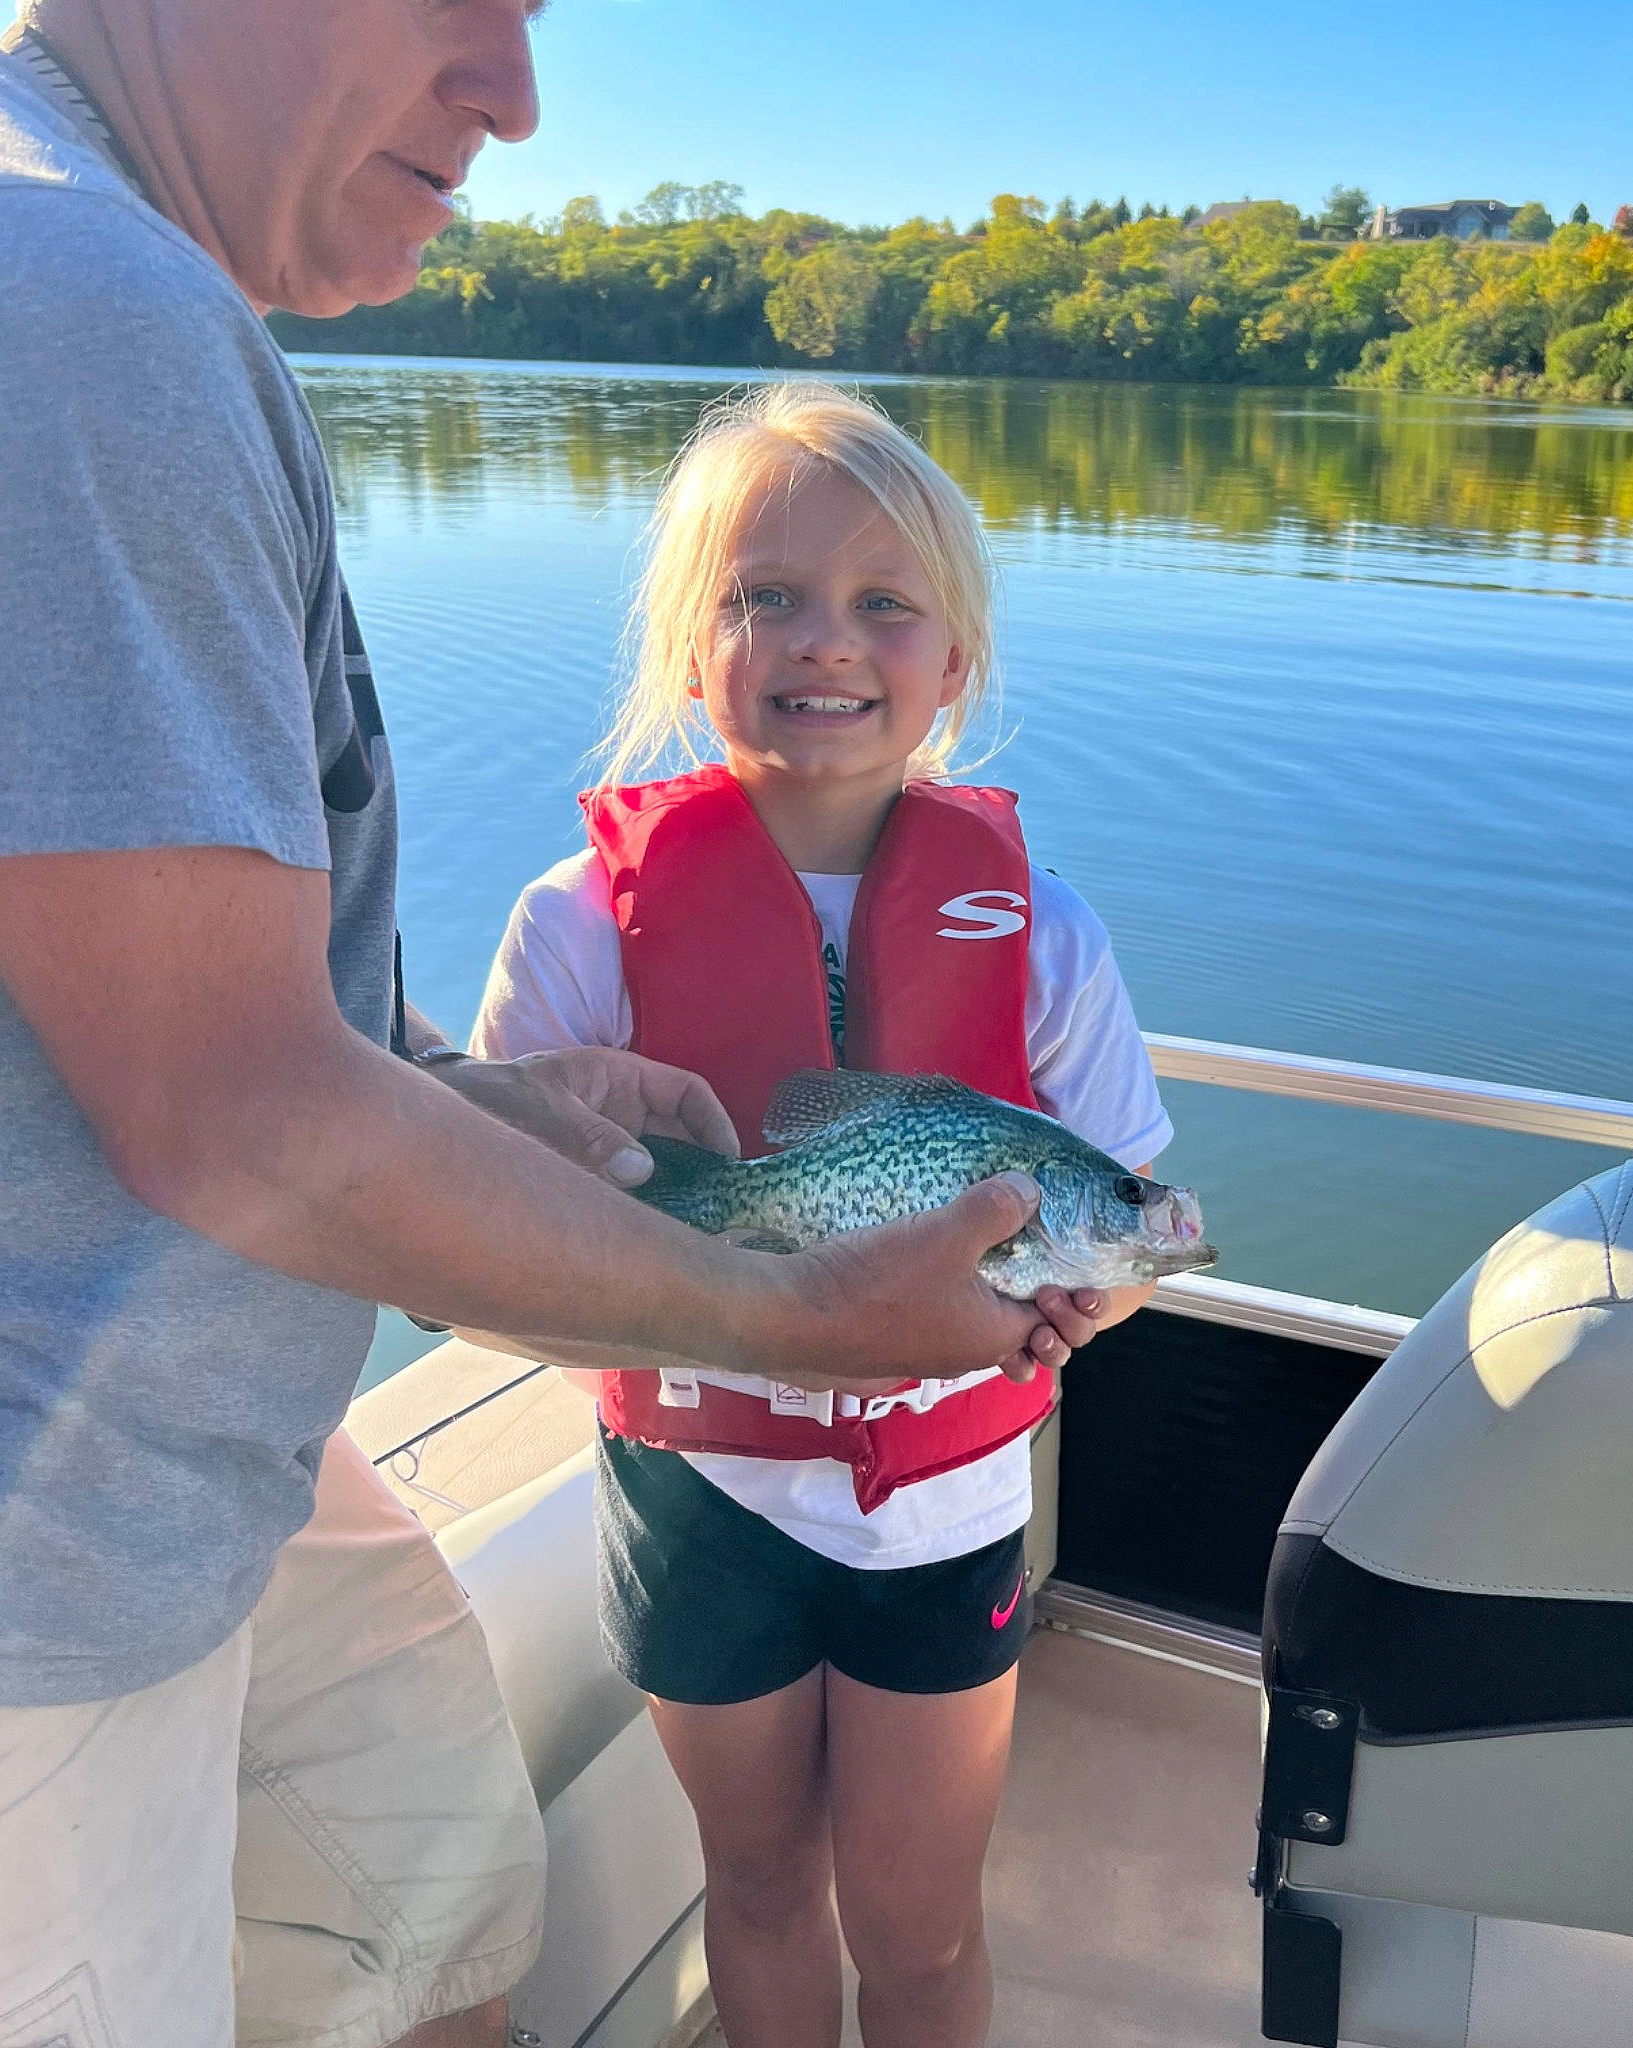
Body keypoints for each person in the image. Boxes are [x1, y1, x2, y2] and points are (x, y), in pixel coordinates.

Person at [0, 8, 1105, 2046]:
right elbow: (229, 1110)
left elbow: (173, 1002)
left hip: (200, 1465)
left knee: (446, 1924)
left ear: (951, 661)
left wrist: (460, 1090)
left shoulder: (102, 287)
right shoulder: (70, 296)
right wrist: (793, 1315)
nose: (515, 93)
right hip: (41, 1573)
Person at [470, 381, 1176, 2048]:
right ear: (687, 641)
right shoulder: (578, 923)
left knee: (921, 1936)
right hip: (694, 1487)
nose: (824, 643)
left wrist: (1091, 1304)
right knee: (763, 1882)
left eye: (884, 605)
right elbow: (491, 1225)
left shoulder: (1049, 933)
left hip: (943, 1509)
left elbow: (1127, 1218)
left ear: (957, 664)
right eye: (764, 595)